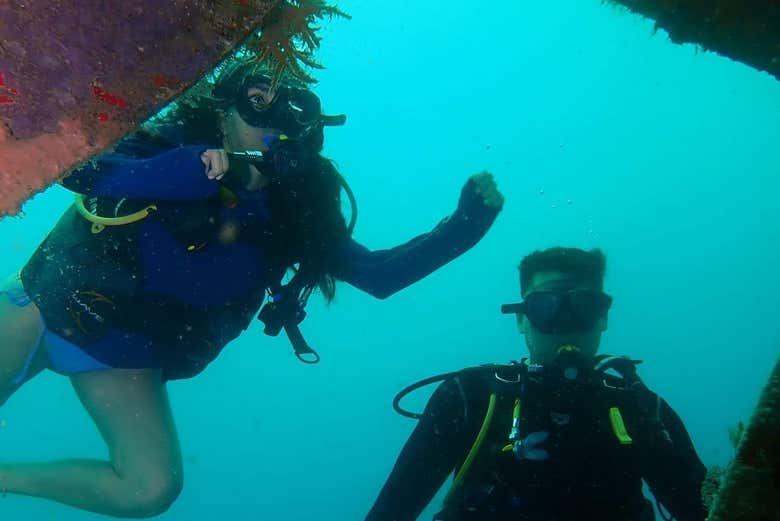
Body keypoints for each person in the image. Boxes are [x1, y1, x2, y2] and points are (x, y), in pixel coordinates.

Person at [0, 60, 504, 517]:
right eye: (258, 102)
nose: (272, 121)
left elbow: (378, 275)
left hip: (125, 356)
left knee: (149, 489)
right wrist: (190, 169)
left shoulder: (296, 209)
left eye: (292, 111)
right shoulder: (171, 140)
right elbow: (83, 171)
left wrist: (463, 226)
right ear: (223, 106)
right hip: (43, 308)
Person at [365, 247, 708, 521]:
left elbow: (708, 509)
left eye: (584, 306)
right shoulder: (470, 397)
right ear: (521, 319)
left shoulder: (640, 409)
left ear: (603, 316)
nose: (566, 324)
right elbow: (391, 512)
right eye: (547, 308)